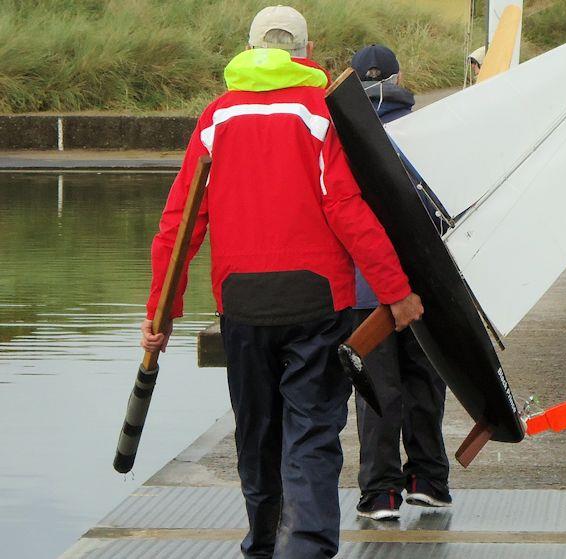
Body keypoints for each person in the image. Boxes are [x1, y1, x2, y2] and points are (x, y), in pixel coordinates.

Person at [139, 8, 423, 559]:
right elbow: (345, 207)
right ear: (305, 49)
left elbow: (179, 224)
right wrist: (395, 289)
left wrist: (162, 317)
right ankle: (306, 549)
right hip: (318, 301)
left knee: (257, 434)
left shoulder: (216, 118)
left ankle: (262, 546)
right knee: (312, 435)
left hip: (242, 302)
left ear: (250, 49)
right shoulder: (321, 113)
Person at [348, 44, 452, 521]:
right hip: (424, 289)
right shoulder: (428, 133)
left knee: (376, 394)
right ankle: (429, 481)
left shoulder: (342, 138)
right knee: (424, 386)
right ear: (400, 78)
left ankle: (381, 494)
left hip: (364, 293)